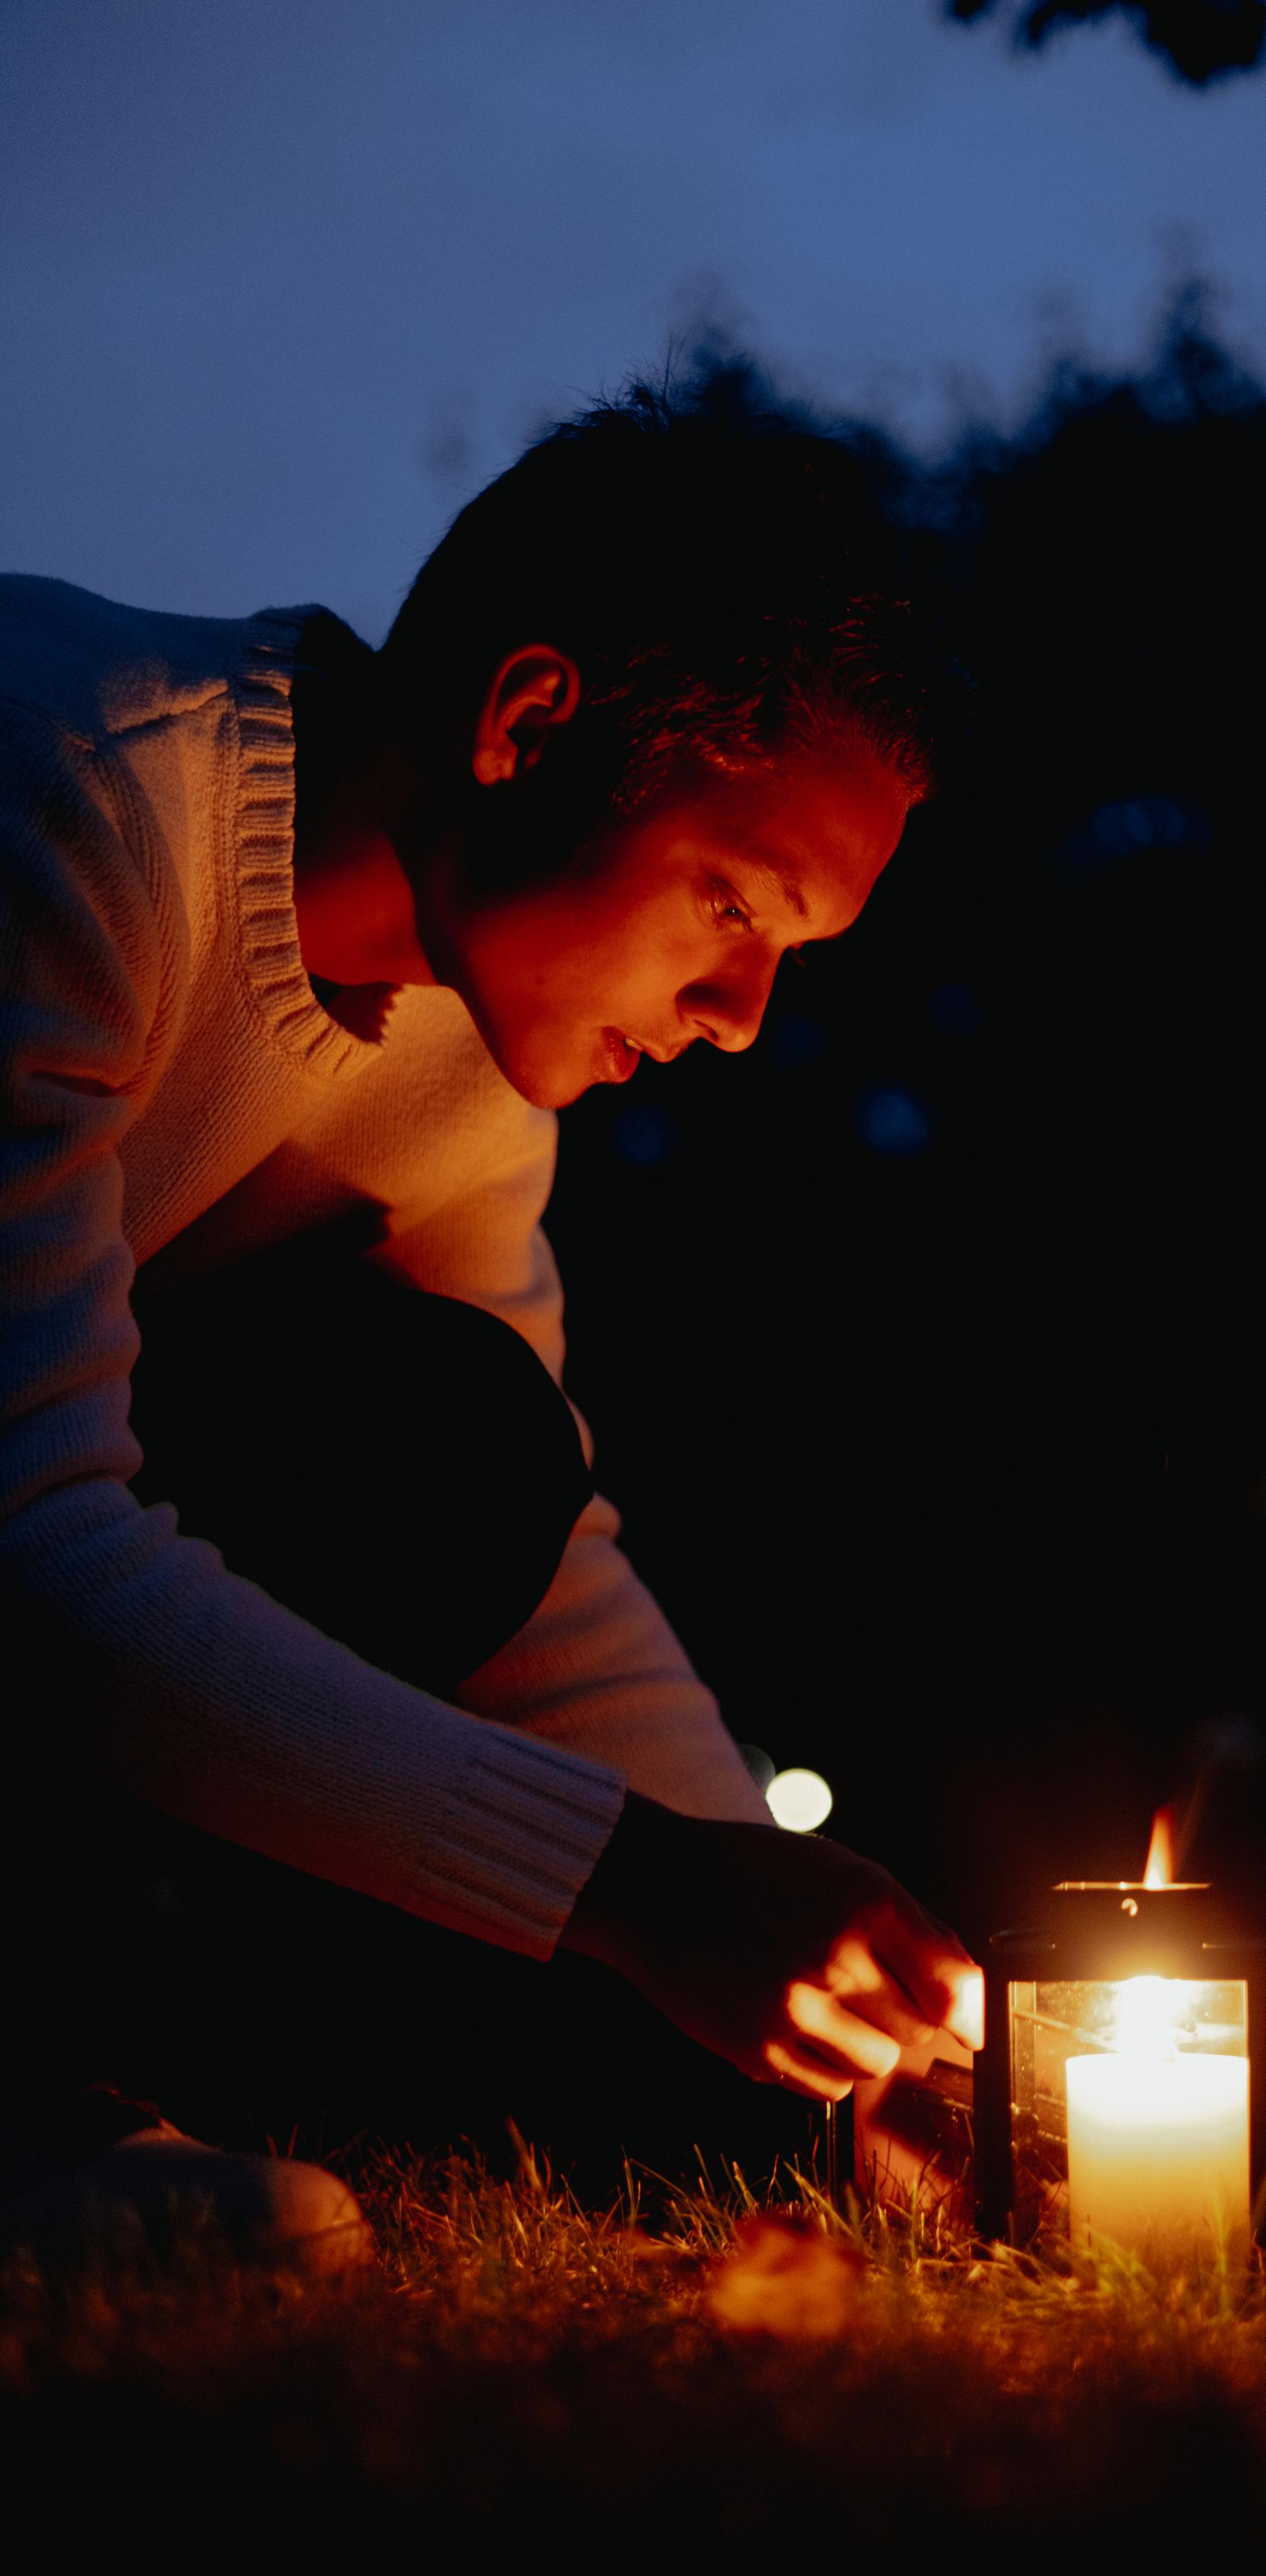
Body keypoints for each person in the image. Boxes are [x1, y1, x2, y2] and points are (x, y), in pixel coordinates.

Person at [0, 384, 979, 2266]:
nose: (742, 1013)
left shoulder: (468, 1073)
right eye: (731, 904)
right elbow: (28, 1534)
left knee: (449, 1433)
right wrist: (631, 1890)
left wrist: (807, 1980)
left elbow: (522, 1563)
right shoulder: (76, 792)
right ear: (533, 724)